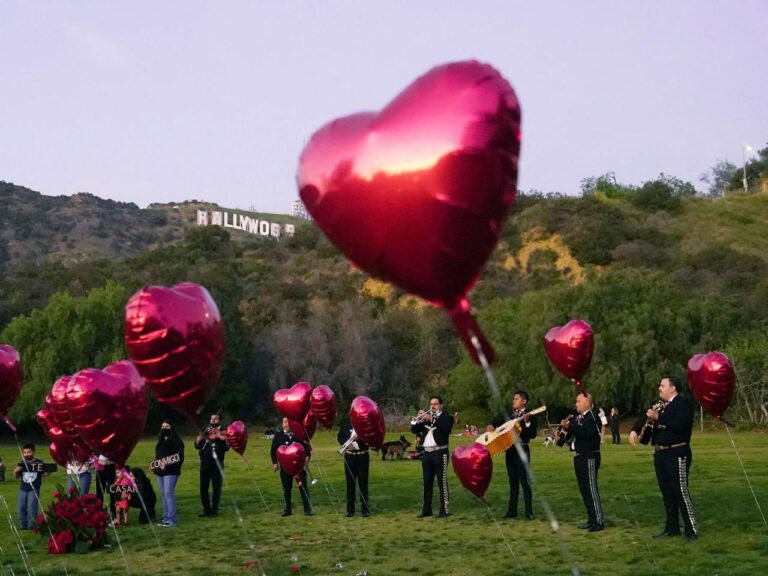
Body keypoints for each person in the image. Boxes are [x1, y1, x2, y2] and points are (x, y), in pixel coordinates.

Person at [629, 376, 698, 541]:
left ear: (672, 388)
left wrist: (658, 418)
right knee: (667, 492)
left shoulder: (683, 404)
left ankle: (691, 529)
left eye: (662, 385)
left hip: (677, 452)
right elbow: (645, 416)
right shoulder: (660, 405)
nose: (659, 388)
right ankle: (671, 527)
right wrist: (634, 430)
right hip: (661, 454)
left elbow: (680, 424)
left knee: (680, 491)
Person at [487, 390, 537, 520]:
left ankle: (529, 511)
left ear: (524, 401)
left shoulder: (530, 415)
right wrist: (491, 425)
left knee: (524, 481)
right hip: (510, 451)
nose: (513, 401)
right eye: (513, 398)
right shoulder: (509, 414)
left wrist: (526, 422)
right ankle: (512, 510)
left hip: (522, 450)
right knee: (512, 482)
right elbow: (497, 419)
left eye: (516, 398)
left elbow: (532, 434)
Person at [560, 392, 604, 532]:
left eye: (579, 401)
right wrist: (562, 433)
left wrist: (570, 427)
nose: (576, 404)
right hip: (579, 456)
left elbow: (585, 433)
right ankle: (591, 519)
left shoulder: (593, 417)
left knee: (591, 488)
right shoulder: (578, 418)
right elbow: (571, 435)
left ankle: (598, 521)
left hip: (589, 456)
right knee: (584, 489)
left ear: (587, 402)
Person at [411, 396, 454, 518]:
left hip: (440, 453)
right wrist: (417, 419)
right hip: (427, 454)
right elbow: (414, 430)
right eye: (431, 404)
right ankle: (426, 509)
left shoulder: (447, 417)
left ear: (441, 405)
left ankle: (444, 509)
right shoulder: (426, 418)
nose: (432, 406)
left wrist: (432, 418)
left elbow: (445, 429)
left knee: (442, 482)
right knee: (427, 482)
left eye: (435, 404)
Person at [271, 417, 313, 516]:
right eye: (285, 422)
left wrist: (307, 458)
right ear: (282, 424)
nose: (287, 424)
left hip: (299, 467)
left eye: (289, 422)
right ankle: (287, 509)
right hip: (285, 468)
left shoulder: (298, 434)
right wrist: (275, 463)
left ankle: (307, 509)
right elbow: (273, 451)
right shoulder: (278, 436)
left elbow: (307, 448)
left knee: (303, 488)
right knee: (286, 489)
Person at [194, 412, 229, 517]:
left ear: (219, 420)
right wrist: (198, 440)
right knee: (203, 487)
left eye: (215, 419)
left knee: (216, 488)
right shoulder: (205, 430)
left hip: (217, 463)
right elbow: (197, 446)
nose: (213, 421)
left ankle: (214, 510)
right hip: (205, 463)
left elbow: (227, 447)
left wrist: (221, 437)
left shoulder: (223, 431)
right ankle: (206, 509)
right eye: (212, 419)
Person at [152, 419, 185, 526]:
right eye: (163, 426)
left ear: (172, 428)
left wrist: (165, 463)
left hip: (171, 472)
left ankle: (172, 518)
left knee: (168, 493)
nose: (165, 428)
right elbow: (158, 456)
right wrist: (155, 464)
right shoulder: (160, 441)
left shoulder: (177, 441)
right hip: (160, 472)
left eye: (167, 426)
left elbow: (179, 457)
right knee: (163, 494)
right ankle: (166, 517)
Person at [337, 418, 370, 517]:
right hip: (349, 456)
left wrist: (361, 439)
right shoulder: (346, 423)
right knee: (350, 483)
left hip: (362, 456)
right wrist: (347, 444)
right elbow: (340, 437)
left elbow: (369, 439)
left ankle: (365, 509)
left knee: (363, 483)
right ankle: (350, 510)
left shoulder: (364, 424)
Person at [13, 443, 50, 530]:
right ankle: (23, 525)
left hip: (34, 489)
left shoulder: (39, 462)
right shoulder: (22, 463)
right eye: (25, 453)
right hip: (23, 489)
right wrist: (15, 471)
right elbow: (16, 476)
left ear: (33, 452)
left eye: (29, 452)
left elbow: (44, 474)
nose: (26, 454)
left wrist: (49, 470)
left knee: (31, 507)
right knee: (21, 507)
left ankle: (31, 526)